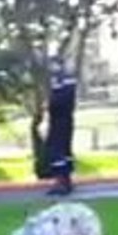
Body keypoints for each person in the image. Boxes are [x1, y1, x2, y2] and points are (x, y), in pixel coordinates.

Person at [45, 59, 77, 196]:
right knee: (64, 151)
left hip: (60, 119)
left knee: (57, 151)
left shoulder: (62, 80)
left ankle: (61, 182)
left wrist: (49, 105)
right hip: (63, 119)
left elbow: (60, 100)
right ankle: (66, 181)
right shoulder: (63, 79)